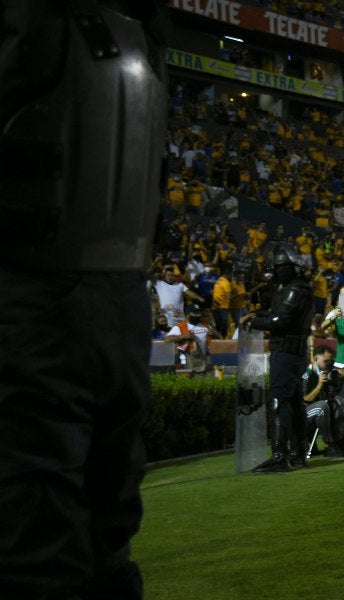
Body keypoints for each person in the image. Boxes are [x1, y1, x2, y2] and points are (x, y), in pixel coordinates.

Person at [0, 1, 168, 597]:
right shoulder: (138, 31)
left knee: (35, 551)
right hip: (116, 308)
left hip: (32, 302)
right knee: (102, 548)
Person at [240, 243, 315, 473]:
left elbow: (280, 321)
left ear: (291, 268)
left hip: (285, 353)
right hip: (295, 353)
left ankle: (280, 455)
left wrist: (254, 321)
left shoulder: (294, 290)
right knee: (294, 402)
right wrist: (260, 315)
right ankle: (298, 453)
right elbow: (280, 316)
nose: (278, 270)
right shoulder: (300, 288)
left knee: (279, 401)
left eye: (281, 266)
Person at [302, 345, 344, 458]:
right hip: (303, 415)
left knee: (340, 401)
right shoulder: (307, 374)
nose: (328, 364)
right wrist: (319, 385)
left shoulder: (326, 372)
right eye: (326, 361)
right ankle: (329, 444)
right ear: (316, 359)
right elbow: (304, 400)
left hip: (319, 412)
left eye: (330, 361)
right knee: (322, 406)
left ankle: (337, 441)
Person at [165, 303, 218, 373]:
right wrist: (184, 336)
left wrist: (214, 334)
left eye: (199, 312)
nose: (198, 315)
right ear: (188, 314)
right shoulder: (180, 326)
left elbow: (219, 338)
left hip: (206, 359)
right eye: (195, 313)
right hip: (190, 359)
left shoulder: (206, 324)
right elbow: (167, 339)